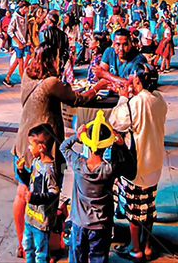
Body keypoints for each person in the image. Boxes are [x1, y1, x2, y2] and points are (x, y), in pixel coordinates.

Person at [11, 45, 102, 257]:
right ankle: (45, 247)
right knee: (48, 196)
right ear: (54, 59)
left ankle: (23, 245)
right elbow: (77, 99)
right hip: (44, 150)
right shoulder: (51, 83)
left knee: (22, 192)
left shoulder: (27, 73)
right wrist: (99, 86)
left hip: (23, 145)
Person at [109, 69, 168, 260]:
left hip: (138, 165)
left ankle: (136, 249)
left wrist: (123, 98)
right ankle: (148, 246)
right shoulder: (159, 99)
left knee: (134, 212)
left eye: (134, 81)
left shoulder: (135, 103)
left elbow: (117, 122)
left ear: (140, 83)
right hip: (155, 163)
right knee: (149, 208)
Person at [61, 111, 133, 263]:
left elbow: (64, 147)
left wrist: (78, 137)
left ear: (87, 142)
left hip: (79, 223)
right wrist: (121, 146)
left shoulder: (78, 163)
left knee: (77, 257)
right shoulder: (110, 169)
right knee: (99, 258)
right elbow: (130, 168)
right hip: (101, 225)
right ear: (106, 145)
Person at [22, 124, 60, 263]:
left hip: (41, 221)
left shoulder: (49, 169)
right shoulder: (36, 161)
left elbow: (54, 192)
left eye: (31, 145)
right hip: (30, 216)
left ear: (41, 147)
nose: (29, 148)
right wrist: (22, 172)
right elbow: (30, 181)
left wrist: (35, 198)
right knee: (28, 246)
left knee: (41, 253)